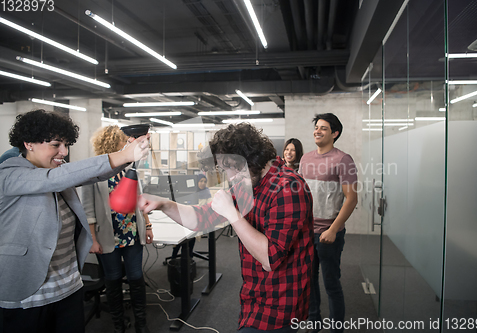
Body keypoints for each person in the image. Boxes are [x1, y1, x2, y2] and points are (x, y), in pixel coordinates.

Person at [138, 123, 314, 332]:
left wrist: (232, 214)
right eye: (224, 169)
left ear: (251, 157)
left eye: (232, 167)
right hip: (253, 295)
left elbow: (270, 258)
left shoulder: (289, 188)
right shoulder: (246, 182)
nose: (230, 177)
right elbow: (201, 219)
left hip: (281, 303)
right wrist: (164, 204)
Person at [0, 110, 149, 333]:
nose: (64, 152)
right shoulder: (9, 174)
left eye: (66, 144)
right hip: (28, 295)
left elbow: (92, 175)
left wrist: (128, 155)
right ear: (28, 143)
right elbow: (55, 179)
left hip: (68, 288)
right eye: (56, 144)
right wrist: (124, 155)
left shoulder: (57, 172)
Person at [81, 125, 153, 333]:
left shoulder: (129, 167)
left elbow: (140, 199)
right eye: (124, 140)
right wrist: (93, 239)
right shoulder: (94, 170)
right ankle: (118, 325)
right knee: (112, 281)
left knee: (136, 278)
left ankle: (141, 324)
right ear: (114, 142)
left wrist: (147, 225)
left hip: (132, 232)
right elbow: (88, 210)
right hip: (107, 235)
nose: (127, 143)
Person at [299, 113, 358, 333]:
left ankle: (336, 329)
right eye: (316, 127)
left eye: (323, 128)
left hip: (329, 234)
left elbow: (352, 199)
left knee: (331, 284)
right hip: (306, 232)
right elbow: (301, 195)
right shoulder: (305, 159)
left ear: (335, 133)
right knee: (309, 283)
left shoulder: (344, 160)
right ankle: (314, 324)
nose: (317, 131)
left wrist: (333, 229)